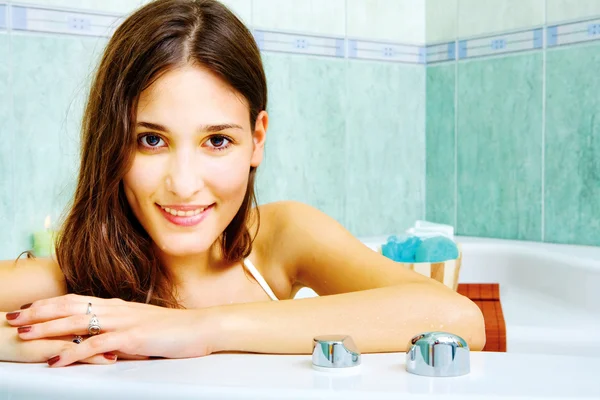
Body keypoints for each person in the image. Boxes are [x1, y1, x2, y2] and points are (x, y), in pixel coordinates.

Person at [0, 0, 485, 368]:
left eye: (216, 141)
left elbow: (458, 320)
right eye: (151, 139)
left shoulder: (281, 238)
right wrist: (11, 341)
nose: (184, 184)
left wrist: (198, 330)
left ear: (257, 139)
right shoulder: (78, 275)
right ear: (112, 145)